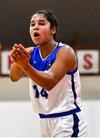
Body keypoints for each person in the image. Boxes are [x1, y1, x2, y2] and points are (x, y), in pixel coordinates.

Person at [10, 9, 87, 137]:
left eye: (41, 23)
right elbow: (13, 77)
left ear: (53, 30)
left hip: (67, 118)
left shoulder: (65, 52)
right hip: (44, 120)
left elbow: (50, 82)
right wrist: (18, 61)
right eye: (32, 24)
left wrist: (25, 65)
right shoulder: (30, 53)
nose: (35, 27)